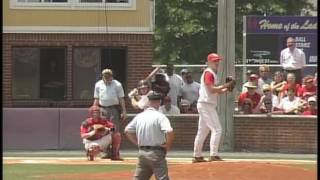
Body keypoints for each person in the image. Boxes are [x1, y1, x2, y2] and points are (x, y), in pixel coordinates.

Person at [192, 53, 235, 163]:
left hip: (206, 104)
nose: (217, 63)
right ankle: (213, 155)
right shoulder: (209, 73)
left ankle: (197, 156)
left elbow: (216, 91)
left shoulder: (212, 73)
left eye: (217, 61)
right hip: (206, 104)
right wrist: (226, 85)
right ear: (209, 62)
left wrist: (226, 88)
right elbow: (212, 89)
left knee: (203, 131)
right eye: (214, 61)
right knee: (217, 129)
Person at [124, 91, 174, 180]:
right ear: (159, 102)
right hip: (156, 153)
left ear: (148, 101)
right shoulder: (160, 116)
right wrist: (167, 146)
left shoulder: (139, 116)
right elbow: (169, 131)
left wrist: (137, 143)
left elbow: (127, 131)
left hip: (142, 153)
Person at [93, 68, 127, 132]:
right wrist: (93, 110)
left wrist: (124, 111)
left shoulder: (117, 84)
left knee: (113, 128)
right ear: (102, 77)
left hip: (113, 110)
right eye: (105, 77)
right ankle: (105, 141)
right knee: (102, 127)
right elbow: (96, 98)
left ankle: (114, 141)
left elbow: (121, 98)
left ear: (112, 76)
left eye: (109, 76)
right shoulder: (98, 84)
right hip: (102, 109)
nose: (107, 78)